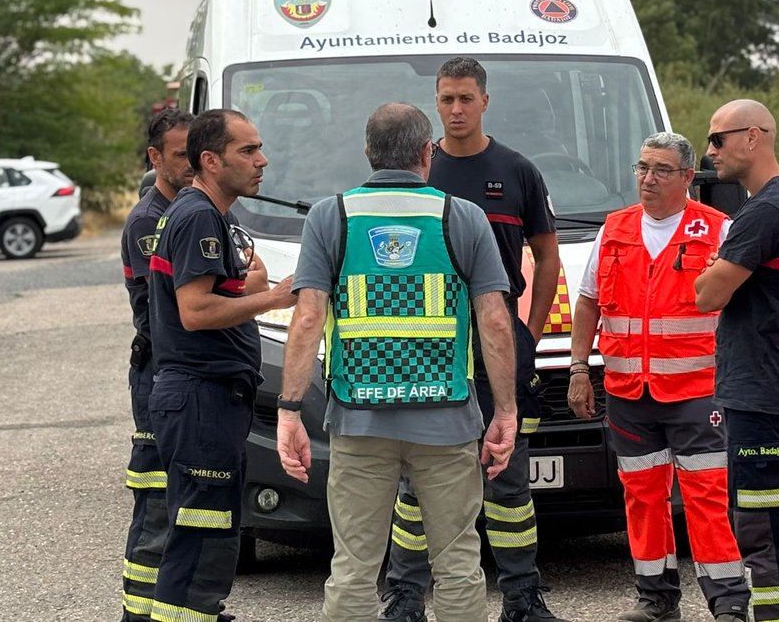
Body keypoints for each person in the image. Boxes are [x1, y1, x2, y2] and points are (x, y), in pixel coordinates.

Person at [275, 102, 518, 622]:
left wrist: (290, 411)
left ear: (368, 153)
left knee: (354, 567)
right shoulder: (461, 216)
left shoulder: (331, 216)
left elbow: (307, 318)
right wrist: (505, 411)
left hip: (359, 422)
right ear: (427, 152)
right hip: (447, 423)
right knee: (457, 565)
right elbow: (495, 322)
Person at [380, 57, 566, 622]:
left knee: (508, 481)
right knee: (416, 484)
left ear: (485, 100)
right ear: (435, 103)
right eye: (446, 99)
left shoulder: (518, 171)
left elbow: (549, 257)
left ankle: (521, 596)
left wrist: (527, 335)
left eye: (465, 98)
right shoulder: (420, 171)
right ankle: (405, 596)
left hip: (499, 343)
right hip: (429, 347)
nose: (456, 109)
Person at [568, 132, 750, 622]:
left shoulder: (719, 229)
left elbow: (741, 308)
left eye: (661, 170)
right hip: (630, 393)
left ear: (688, 178)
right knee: (643, 498)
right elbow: (587, 302)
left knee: (706, 498)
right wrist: (579, 369)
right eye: (643, 167)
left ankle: (729, 601)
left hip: (697, 392)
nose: (648, 179)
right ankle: (655, 597)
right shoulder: (614, 228)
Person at [146, 109, 296, 622]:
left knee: (213, 532)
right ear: (209, 161)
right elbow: (195, 311)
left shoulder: (219, 216)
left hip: (217, 397)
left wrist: (246, 286)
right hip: (199, 397)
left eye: (259, 148)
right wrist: (273, 300)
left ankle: (201, 613)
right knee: (197, 536)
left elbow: (217, 292)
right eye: (247, 151)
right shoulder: (197, 217)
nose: (262, 160)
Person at [694, 100, 779, 622]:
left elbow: (707, 294)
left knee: (762, 523)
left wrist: (711, 268)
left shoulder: (766, 210)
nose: (709, 152)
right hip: (778, 383)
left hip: (763, 389)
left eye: (717, 140)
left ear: (752, 137)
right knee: (773, 516)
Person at [118, 108, 193, 622]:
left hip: (180, 374)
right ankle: (139, 614)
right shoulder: (151, 221)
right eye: (179, 154)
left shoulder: (195, 210)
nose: (191, 163)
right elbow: (165, 316)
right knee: (158, 506)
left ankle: (174, 605)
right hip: (159, 374)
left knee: (187, 500)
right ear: (155, 157)